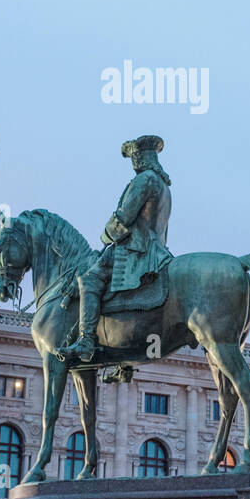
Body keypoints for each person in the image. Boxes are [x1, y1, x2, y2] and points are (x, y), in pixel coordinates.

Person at [55, 135, 173, 364]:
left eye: (135, 157)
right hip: (159, 250)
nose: (134, 162)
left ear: (141, 157)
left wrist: (106, 234)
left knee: (89, 279)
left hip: (136, 249)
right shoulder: (164, 186)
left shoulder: (144, 180)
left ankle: (86, 339)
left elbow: (124, 217)